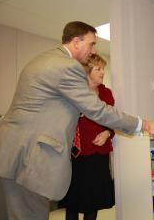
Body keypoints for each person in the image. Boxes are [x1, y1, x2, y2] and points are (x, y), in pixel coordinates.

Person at [0, 21, 154, 220]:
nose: (93, 50)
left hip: (8, 153)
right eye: (91, 44)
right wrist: (145, 125)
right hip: (29, 159)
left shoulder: (42, 60)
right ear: (76, 41)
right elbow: (97, 110)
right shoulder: (68, 66)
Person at [60, 54, 116, 220]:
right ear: (87, 71)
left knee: (94, 200)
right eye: (98, 69)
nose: (102, 72)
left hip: (100, 154)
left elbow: (113, 120)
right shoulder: (75, 92)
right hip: (77, 155)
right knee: (74, 201)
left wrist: (107, 133)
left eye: (103, 69)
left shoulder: (106, 93)